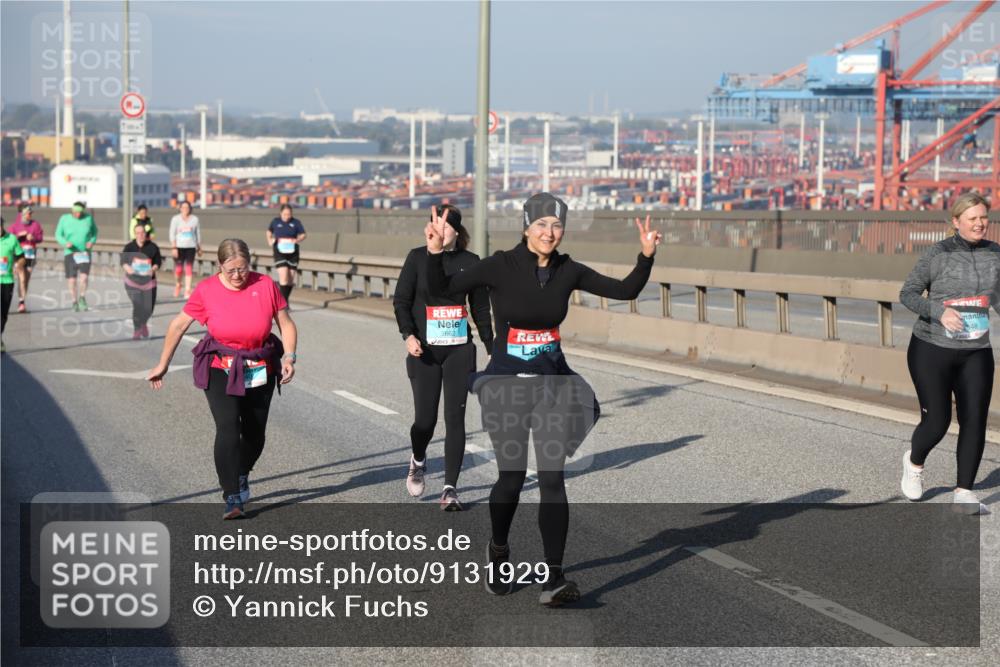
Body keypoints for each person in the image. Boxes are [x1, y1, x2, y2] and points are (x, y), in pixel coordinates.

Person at [424, 193, 661, 606]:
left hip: (552, 383)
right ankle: (499, 551)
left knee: (552, 478)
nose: (549, 233)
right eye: (541, 225)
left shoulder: (568, 270)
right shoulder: (500, 265)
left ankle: (553, 577)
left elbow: (625, 290)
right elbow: (443, 290)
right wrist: (435, 251)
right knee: (512, 478)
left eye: (556, 226)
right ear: (525, 228)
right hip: (506, 385)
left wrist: (645, 256)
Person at [148, 238, 297, 519]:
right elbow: (178, 325)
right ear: (220, 266)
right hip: (220, 366)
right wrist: (163, 363)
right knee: (228, 427)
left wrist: (289, 356)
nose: (239, 276)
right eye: (231, 271)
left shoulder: (265, 285)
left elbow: (286, 324)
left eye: (243, 269)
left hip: (258, 365)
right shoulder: (206, 290)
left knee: (254, 433)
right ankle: (232, 496)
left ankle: (241, 472)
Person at [900, 192, 997, 515]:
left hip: (976, 350)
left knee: (974, 421)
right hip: (931, 348)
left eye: (984, 217)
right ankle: (914, 464)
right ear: (956, 222)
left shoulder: (996, 255)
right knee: (938, 421)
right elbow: (908, 293)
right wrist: (938, 312)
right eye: (972, 219)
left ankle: (964, 492)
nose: (980, 223)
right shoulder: (938, 254)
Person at [393, 204, 493, 511]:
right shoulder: (416, 258)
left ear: (457, 232)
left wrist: (493, 347)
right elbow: (401, 301)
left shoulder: (471, 262)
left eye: (446, 225)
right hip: (424, 349)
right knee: (425, 420)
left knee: (455, 417)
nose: (439, 229)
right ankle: (418, 459)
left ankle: (450, 489)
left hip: (459, 348)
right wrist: (408, 335)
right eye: (435, 223)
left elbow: (479, 309)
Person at [121, 221, 163, 339]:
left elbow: (158, 262)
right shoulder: (130, 247)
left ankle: (144, 322)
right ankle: (137, 330)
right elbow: (123, 261)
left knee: (148, 308)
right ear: (135, 234)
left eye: (142, 232)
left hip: (149, 283)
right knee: (138, 305)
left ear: (146, 233)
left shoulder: (153, 247)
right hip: (133, 282)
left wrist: (153, 269)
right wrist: (127, 268)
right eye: (138, 233)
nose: (141, 235)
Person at [55, 201, 98, 312]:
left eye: (79, 212)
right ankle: (74, 301)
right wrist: (65, 243)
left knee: (84, 278)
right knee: (72, 280)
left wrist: (91, 242)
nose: (77, 214)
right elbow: (58, 234)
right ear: (72, 211)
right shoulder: (64, 219)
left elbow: (95, 232)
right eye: (75, 212)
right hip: (70, 252)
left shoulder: (88, 218)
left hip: (84, 252)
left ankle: (82, 297)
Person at [266, 204, 307, 303]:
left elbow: (303, 234)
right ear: (280, 213)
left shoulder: (296, 222)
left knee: (290, 278)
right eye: (285, 214)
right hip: (279, 251)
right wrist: (269, 240)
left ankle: (285, 300)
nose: (287, 216)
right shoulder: (275, 222)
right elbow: (269, 231)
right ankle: (282, 303)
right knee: (283, 275)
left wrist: (297, 239)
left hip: (292, 251)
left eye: (289, 214)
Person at [9, 203, 43, 313]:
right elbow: (8, 239)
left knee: (26, 280)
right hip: (19, 255)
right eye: (29, 213)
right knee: (21, 278)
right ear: (22, 214)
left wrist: (33, 238)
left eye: (31, 213)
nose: (30, 215)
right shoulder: (15, 226)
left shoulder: (35, 225)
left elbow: (40, 238)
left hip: (30, 254)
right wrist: (19, 236)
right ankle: (21, 302)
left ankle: (21, 301)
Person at [1, 218, 27, 353]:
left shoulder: (12, 239)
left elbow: (21, 257)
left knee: (3, 313)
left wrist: (18, 264)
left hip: (7, 281)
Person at [169, 201, 202, 298]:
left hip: (191, 247)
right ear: (180, 208)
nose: (185, 209)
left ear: (190, 208)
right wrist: (173, 247)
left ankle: (188, 289)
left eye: (187, 207)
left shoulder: (195, 219)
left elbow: (197, 233)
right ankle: (178, 284)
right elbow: (172, 233)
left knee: (189, 269)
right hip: (179, 246)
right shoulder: (176, 219)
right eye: (183, 207)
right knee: (178, 269)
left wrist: (199, 246)